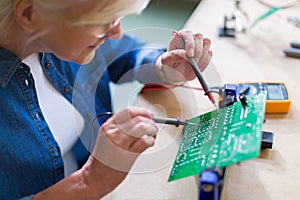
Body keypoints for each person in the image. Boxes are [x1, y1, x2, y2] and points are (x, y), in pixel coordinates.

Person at [0, 0, 213, 199]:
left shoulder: (60, 37)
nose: (117, 33)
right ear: (29, 14)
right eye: (103, 21)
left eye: (117, 18)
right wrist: (89, 182)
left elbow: (125, 53)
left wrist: (164, 68)